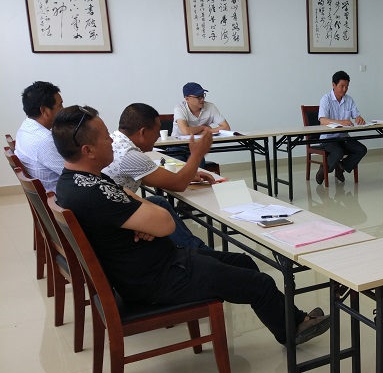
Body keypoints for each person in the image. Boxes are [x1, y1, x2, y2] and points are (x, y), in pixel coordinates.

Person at [52, 106, 329, 346]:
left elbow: (133, 200)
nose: (112, 141)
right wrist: (147, 215)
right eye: (105, 137)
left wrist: (142, 215)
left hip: (156, 264)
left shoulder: (73, 183)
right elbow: (165, 223)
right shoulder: (94, 192)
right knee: (262, 283)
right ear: (88, 150)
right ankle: (292, 331)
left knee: (244, 261)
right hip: (158, 279)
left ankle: (293, 320)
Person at [103, 102, 216, 249]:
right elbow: (178, 184)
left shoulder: (116, 141)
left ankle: (192, 247)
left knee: (158, 201)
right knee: (159, 208)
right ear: (143, 132)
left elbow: (153, 178)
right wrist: (197, 154)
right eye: (157, 132)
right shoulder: (130, 155)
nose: (158, 136)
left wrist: (188, 175)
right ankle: (198, 251)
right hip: (117, 222)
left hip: (113, 211)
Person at [316, 70, 367, 184]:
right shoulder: (326, 99)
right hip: (328, 138)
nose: (344, 89)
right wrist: (340, 122)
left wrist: (359, 118)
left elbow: (356, 115)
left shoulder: (349, 99)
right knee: (338, 152)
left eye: (347, 86)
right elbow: (322, 120)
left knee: (361, 149)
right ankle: (324, 169)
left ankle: (341, 166)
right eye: (342, 86)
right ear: (333, 85)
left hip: (343, 137)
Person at [15, 81, 66, 192]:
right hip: (61, 197)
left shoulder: (25, 128)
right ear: (44, 111)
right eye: (60, 105)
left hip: (51, 193)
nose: (63, 110)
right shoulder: (44, 141)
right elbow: (76, 174)